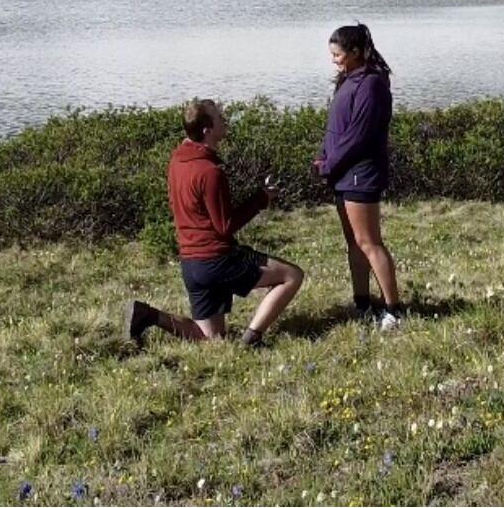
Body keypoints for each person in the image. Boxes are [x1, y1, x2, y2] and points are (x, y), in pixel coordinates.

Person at [126, 98, 305, 348]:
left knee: (211, 338)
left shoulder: (177, 161)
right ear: (207, 130)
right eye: (220, 117)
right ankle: (252, 338)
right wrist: (261, 199)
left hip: (191, 265)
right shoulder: (210, 171)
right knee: (292, 276)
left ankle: (148, 315)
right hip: (217, 261)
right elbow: (225, 226)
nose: (225, 120)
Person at [315, 22, 400, 327]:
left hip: (360, 173)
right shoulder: (348, 80)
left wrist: (328, 164)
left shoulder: (372, 84)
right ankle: (362, 303)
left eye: (337, 54)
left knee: (368, 241)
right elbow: (337, 130)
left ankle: (393, 310)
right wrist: (324, 157)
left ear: (354, 51)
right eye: (332, 54)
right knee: (353, 242)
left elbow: (359, 136)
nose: (334, 59)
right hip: (342, 172)